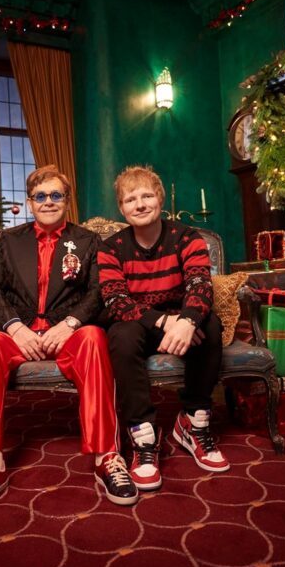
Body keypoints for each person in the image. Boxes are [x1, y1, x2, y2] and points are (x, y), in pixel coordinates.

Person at [0, 164, 138, 516]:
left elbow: (99, 291)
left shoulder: (88, 241)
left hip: (66, 334)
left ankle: (107, 455)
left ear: (67, 200)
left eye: (56, 195)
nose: (48, 201)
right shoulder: (9, 240)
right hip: (21, 333)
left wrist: (70, 324)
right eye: (40, 196)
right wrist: (14, 327)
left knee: (93, 337)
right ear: (30, 202)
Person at [98, 165, 229, 493]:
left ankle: (193, 421)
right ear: (121, 208)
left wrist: (188, 320)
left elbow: (200, 284)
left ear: (159, 199)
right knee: (120, 334)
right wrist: (167, 321)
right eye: (131, 199)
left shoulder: (187, 238)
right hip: (141, 324)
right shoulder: (110, 248)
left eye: (147, 196)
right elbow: (115, 301)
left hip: (180, 321)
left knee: (210, 325)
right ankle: (143, 436)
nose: (140, 204)